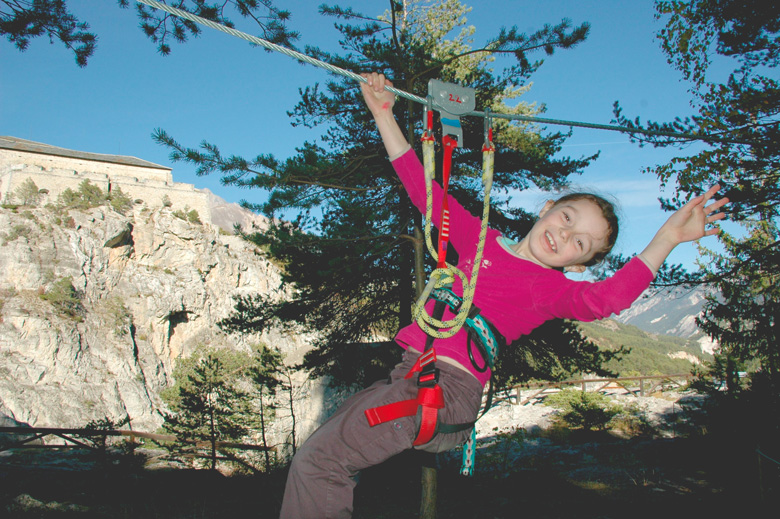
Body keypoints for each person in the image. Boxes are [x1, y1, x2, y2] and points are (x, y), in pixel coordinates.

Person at [279, 72, 729, 519]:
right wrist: (383, 114)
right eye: (568, 219)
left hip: (444, 394)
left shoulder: (548, 290)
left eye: (579, 245)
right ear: (547, 208)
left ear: (575, 266)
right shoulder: (480, 239)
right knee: (313, 459)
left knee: (320, 466)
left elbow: (606, 299)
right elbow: (426, 194)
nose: (565, 235)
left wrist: (667, 237)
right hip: (409, 379)